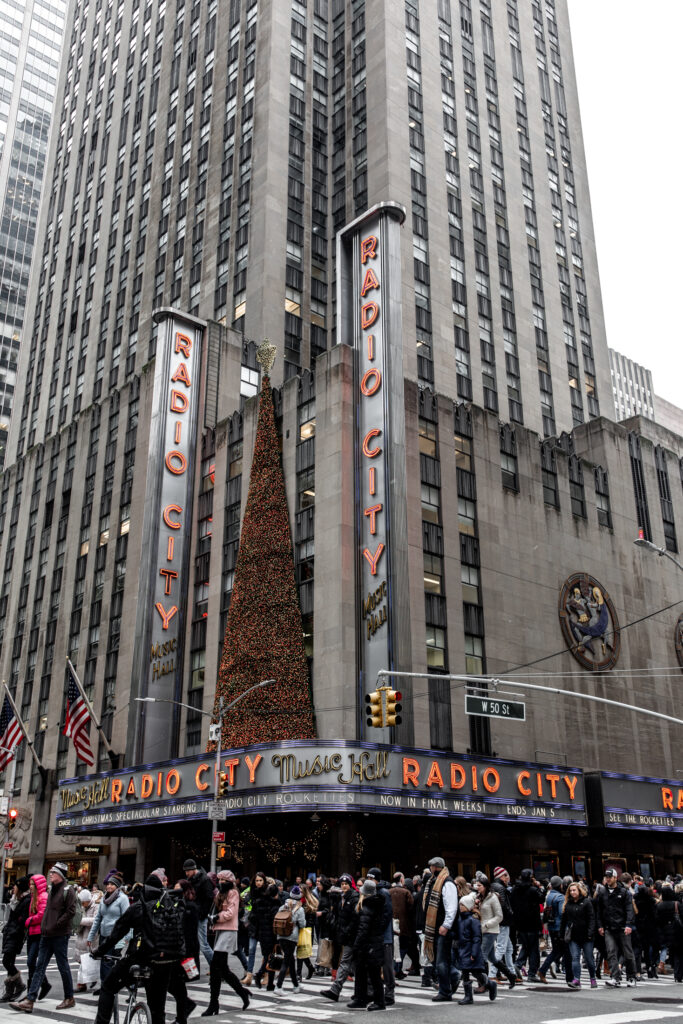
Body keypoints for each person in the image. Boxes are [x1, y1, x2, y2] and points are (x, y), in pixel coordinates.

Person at [91, 874, 192, 1024]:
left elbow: (116, 934)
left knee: (108, 986)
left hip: (142, 959)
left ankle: (101, 1022)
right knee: (157, 1008)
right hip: (166, 961)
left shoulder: (138, 907)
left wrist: (99, 951)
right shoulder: (170, 907)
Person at [11, 862, 77, 1012]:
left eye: (53, 872)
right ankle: (30, 999)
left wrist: (55, 925)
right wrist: (45, 927)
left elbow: (70, 912)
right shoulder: (52, 889)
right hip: (46, 934)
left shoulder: (68, 890)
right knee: (39, 966)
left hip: (59, 935)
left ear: (60, 875)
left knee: (63, 966)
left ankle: (69, 997)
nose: (50, 874)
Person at [203, 870, 250, 1014]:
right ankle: (242, 993)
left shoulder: (233, 893)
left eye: (223, 880)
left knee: (217, 966)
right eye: (219, 879)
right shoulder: (220, 893)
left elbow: (231, 913)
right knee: (221, 969)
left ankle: (214, 1004)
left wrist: (217, 917)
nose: (221, 882)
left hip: (229, 931)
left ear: (229, 881)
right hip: (219, 930)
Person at [422, 856, 460, 1003]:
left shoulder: (446, 882)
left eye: (431, 866)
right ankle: (454, 975)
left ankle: (445, 991)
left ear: (434, 867)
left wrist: (446, 925)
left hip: (442, 928)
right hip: (436, 928)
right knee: (440, 960)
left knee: (441, 961)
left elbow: (451, 906)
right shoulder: (433, 881)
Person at [348, 879, 386, 1011]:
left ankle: (376, 1001)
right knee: (365, 973)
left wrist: (356, 946)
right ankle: (362, 999)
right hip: (374, 943)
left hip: (368, 945)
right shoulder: (376, 904)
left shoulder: (367, 907)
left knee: (370, 974)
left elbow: (363, 929)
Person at [88, 874, 130, 990]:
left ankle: (107, 990)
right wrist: (90, 937)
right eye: (108, 884)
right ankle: (105, 988)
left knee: (108, 964)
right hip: (103, 935)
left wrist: (125, 939)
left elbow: (127, 919)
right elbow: (98, 919)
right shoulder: (103, 898)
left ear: (117, 886)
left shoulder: (122, 899)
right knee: (103, 963)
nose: (109, 886)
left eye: (112, 884)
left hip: (116, 937)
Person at [596, 868, 637, 987]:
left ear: (615, 878)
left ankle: (631, 976)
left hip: (623, 927)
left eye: (610, 877)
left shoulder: (623, 892)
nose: (608, 879)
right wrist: (600, 926)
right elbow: (599, 911)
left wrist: (629, 924)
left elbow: (629, 909)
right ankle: (615, 977)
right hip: (609, 927)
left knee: (628, 953)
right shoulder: (602, 892)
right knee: (611, 952)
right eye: (606, 877)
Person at [321, 873, 358, 1002]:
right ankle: (362, 992)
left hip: (353, 936)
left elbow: (354, 918)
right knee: (355, 965)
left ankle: (335, 990)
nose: (344, 886)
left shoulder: (354, 897)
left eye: (346, 884)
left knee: (346, 963)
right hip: (346, 935)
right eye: (342, 884)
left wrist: (346, 931)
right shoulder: (341, 898)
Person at [474, 876, 515, 987]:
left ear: (486, 886)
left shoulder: (493, 898)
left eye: (479, 885)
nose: (477, 887)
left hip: (491, 930)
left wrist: (487, 924)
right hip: (483, 930)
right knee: (492, 958)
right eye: (476, 885)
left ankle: (483, 984)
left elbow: (499, 916)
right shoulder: (479, 897)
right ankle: (511, 976)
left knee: (482, 956)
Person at [456, 893, 497, 1004]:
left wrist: (474, 953)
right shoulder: (460, 920)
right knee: (465, 972)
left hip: (471, 951)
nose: (460, 907)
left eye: (462, 905)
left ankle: (489, 984)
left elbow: (477, 938)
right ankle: (468, 996)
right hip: (463, 950)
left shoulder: (473, 921)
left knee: (475, 972)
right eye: (459, 905)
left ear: (468, 906)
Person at [366, 867, 395, 1005]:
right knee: (374, 963)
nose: (369, 880)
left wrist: (379, 928)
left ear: (376, 879)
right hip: (376, 934)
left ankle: (389, 993)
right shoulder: (371, 892)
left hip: (384, 935)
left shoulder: (383, 892)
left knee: (387, 965)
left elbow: (388, 913)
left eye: (371, 878)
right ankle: (374, 991)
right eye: (368, 878)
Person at [560, 881, 597, 988]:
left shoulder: (586, 902)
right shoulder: (568, 904)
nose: (572, 892)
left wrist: (590, 933)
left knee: (589, 959)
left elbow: (591, 918)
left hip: (586, 936)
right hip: (573, 936)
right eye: (570, 891)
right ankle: (576, 979)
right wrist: (561, 934)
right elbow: (564, 920)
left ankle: (592, 978)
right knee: (575, 958)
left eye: (574, 890)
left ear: (579, 891)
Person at [0, 877, 30, 1002]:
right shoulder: (16, 900)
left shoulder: (25, 901)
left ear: (20, 887)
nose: (13, 888)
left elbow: (22, 920)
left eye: (15, 886)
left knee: (7, 961)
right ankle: (10, 991)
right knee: (9, 961)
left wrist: (13, 928)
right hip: (10, 933)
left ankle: (19, 985)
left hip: (15, 934)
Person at [510, 868, 543, 983]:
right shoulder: (533, 890)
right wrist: (538, 886)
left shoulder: (515, 889)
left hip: (520, 923)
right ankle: (531, 973)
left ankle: (518, 965)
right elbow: (541, 899)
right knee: (534, 949)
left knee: (525, 946)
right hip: (533, 923)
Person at [183, 859, 216, 971]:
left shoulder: (204, 879)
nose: (186, 873)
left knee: (203, 945)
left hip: (199, 916)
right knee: (195, 944)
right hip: (193, 915)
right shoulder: (192, 879)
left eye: (188, 871)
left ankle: (218, 968)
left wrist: (202, 913)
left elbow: (209, 898)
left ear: (193, 869)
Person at [274, 885, 305, 995]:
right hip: (292, 937)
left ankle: (296, 985)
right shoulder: (299, 909)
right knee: (287, 961)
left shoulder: (282, 907)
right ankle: (278, 986)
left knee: (291, 960)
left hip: (281, 936)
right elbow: (302, 924)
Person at [539, 876, 570, 984]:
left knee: (557, 950)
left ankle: (543, 970)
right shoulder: (560, 897)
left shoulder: (549, 896)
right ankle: (569, 976)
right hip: (560, 927)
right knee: (565, 951)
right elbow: (562, 913)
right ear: (560, 885)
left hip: (552, 927)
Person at [23, 876, 49, 1002]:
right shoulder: (34, 897)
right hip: (32, 933)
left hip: (39, 933)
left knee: (31, 961)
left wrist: (29, 921)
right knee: (31, 962)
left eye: (33, 884)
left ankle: (37, 988)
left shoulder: (43, 896)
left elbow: (41, 915)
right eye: (30, 884)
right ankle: (38, 987)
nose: (31, 886)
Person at [390, 872, 418, 978]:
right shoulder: (406, 892)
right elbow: (411, 908)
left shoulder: (389, 892)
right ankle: (397, 969)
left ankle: (395, 969)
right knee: (403, 948)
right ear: (401, 880)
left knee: (395, 948)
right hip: (404, 925)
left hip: (392, 924)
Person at [252, 883, 280, 990]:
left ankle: (270, 984)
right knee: (272, 958)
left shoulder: (259, 902)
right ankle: (260, 974)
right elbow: (275, 920)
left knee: (267, 957)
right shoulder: (275, 904)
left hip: (262, 933)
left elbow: (254, 918)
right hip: (272, 934)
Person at [243, 871, 267, 984]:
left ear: (264, 881)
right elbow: (245, 902)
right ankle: (249, 974)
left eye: (260, 880)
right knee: (251, 949)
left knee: (265, 951)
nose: (258, 883)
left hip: (263, 925)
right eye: (257, 880)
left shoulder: (267, 892)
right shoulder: (251, 892)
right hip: (254, 924)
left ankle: (265, 974)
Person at [491, 867, 515, 978]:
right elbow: (503, 905)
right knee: (501, 948)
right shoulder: (500, 887)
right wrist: (511, 913)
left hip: (500, 921)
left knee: (508, 948)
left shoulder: (494, 886)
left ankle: (511, 972)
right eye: (506, 875)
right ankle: (492, 973)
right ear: (501, 876)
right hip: (503, 921)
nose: (508, 877)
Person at [173, 880, 200, 979]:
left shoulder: (190, 905)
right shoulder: (177, 903)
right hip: (180, 938)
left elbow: (192, 927)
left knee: (189, 971)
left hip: (188, 938)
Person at [74, 889, 98, 992]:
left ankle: (84, 983)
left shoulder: (96, 906)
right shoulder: (81, 906)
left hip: (90, 938)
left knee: (89, 961)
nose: (82, 904)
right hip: (81, 937)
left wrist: (80, 921)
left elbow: (96, 920)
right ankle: (82, 984)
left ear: (88, 900)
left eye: (83, 902)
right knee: (82, 962)